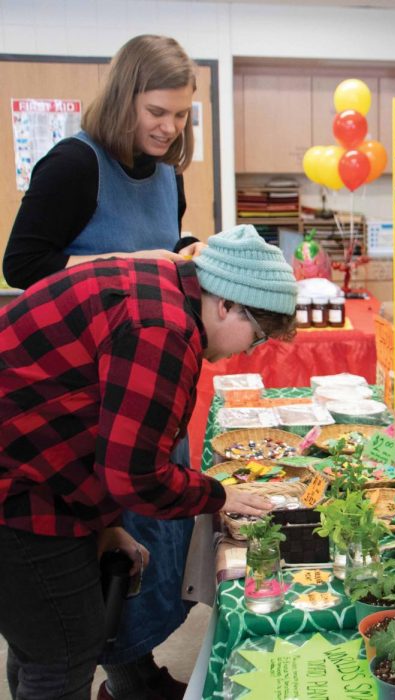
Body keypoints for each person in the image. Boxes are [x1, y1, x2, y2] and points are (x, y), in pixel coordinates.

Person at [0, 225, 298, 700]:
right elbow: (135, 475)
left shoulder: (165, 283)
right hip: (18, 490)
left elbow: (102, 429)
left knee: (39, 639)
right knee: (64, 649)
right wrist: (216, 496)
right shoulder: (161, 330)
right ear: (225, 304)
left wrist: (104, 524)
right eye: (256, 335)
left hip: (39, 468)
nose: (247, 351)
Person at [3, 35, 206, 700]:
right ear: (123, 98)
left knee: (135, 549)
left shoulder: (169, 175)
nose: (169, 127)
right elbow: (24, 267)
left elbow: (157, 252)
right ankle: (100, 673)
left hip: (131, 384)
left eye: (180, 115)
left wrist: (180, 252)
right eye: (156, 111)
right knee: (63, 611)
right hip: (77, 400)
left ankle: (130, 670)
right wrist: (141, 267)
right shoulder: (75, 164)